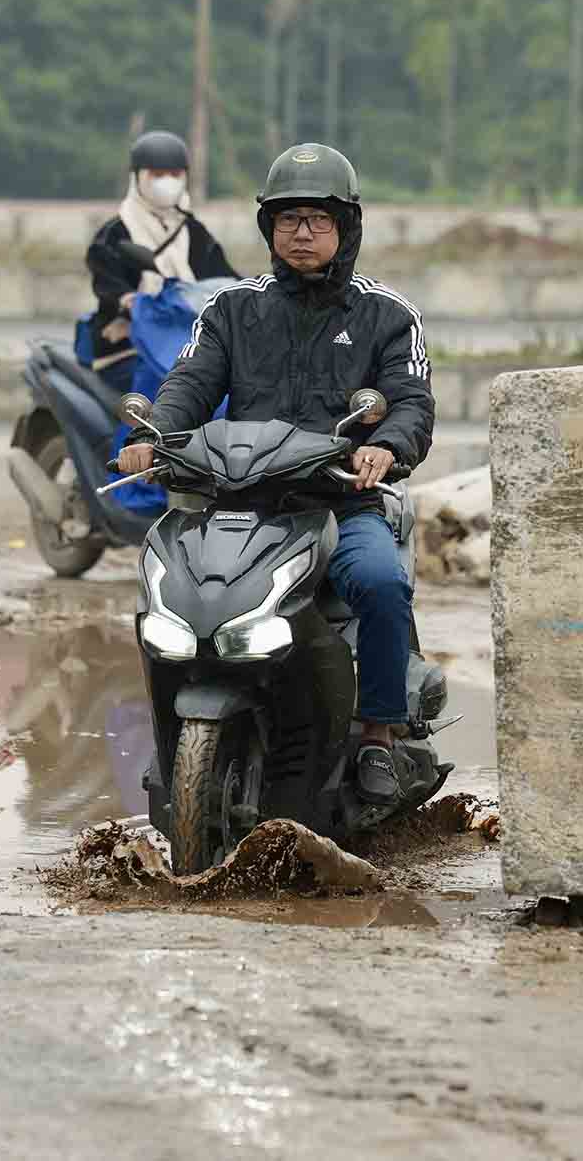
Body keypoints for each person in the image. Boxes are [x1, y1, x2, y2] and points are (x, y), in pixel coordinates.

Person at [115, 143, 434, 804]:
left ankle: (378, 731)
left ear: (346, 228)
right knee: (166, 585)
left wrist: (386, 447)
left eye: (318, 219)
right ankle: (175, 733)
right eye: (288, 219)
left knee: (378, 582)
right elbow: (187, 385)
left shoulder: (387, 315)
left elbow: (411, 402)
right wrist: (151, 438)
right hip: (240, 502)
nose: (303, 232)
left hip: (340, 502)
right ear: (269, 230)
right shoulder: (234, 309)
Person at [84, 130, 238, 394]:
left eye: (175, 175)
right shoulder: (116, 232)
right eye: (157, 175)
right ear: (138, 178)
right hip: (128, 345)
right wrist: (128, 300)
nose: (167, 182)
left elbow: (223, 277)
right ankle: (140, 437)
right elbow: (106, 280)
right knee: (155, 396)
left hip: (188, 338)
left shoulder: (194, 231)